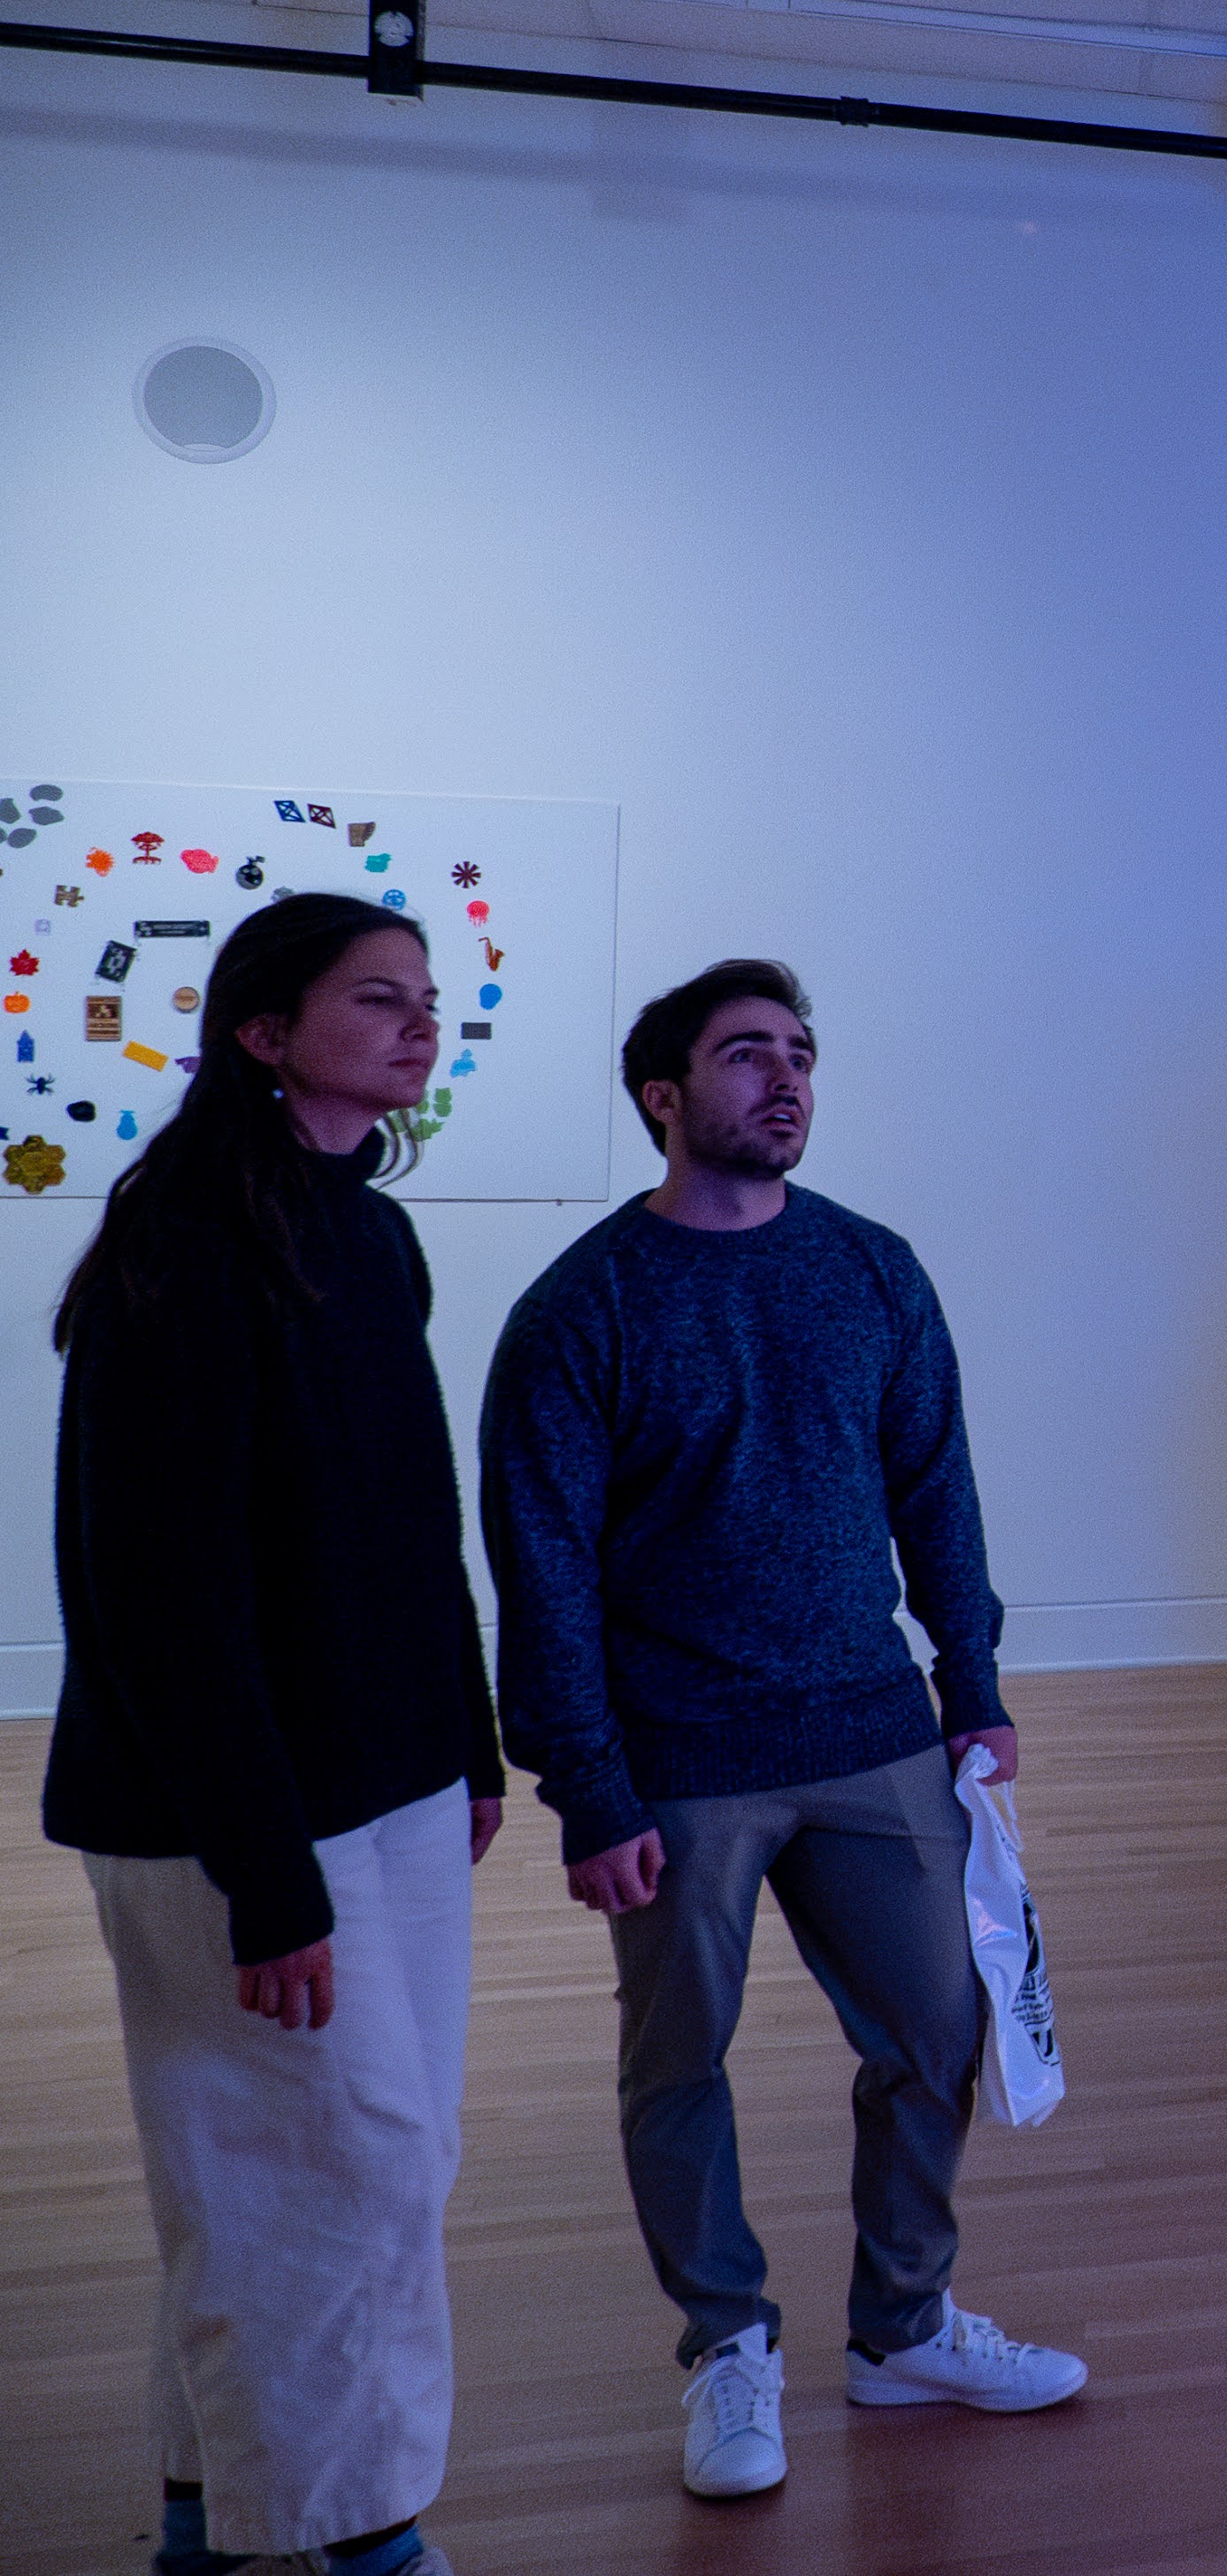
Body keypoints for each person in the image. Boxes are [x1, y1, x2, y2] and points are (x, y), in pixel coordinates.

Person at [482, 959, 1082, 2508]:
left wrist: (977, 1681)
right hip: (678, 1756)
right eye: (747, 1053)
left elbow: (936, 1489)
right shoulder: (580, 1310)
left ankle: (901, 2322)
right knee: (677, 2056)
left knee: (938, 2026)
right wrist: (588, 1783)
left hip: (869, 1722)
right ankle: (726, 2340)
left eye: (803, 1052)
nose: (787, 1077)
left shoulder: (874, 1269)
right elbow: (540, 1568)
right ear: (665, 1099)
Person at [43, 897, 498, 2576]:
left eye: (427, 1001)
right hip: (231, 1816)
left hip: (383, 1784)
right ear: (260, 1028)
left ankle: (205, 2517)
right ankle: (361, 2536)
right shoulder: (185, 1242)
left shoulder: (364, 1231)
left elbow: (407, 1518)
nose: (415, 1025)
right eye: (376, 998)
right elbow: (159, 1589)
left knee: (318, 2163)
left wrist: (468, 1739)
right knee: (346, 2167)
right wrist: (270, 1875)